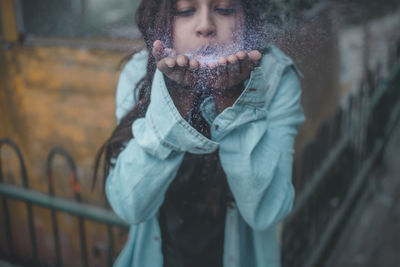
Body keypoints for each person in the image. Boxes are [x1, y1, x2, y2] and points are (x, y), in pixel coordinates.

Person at [93, 0, 305, 266]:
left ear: (246, 18)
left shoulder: (276, 77)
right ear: (162, 19)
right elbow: (129, 206)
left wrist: (233, 104)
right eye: (185, 10)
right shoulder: (138, 72)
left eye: (225, 9)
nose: (205, 26)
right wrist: (175, 102)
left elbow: (267, 211)